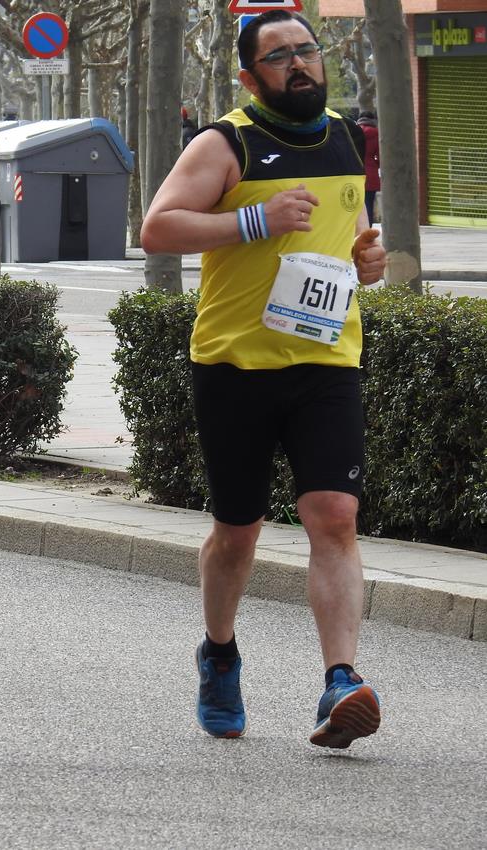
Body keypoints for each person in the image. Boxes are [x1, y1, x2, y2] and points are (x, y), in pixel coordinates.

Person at [140, 9, 387, 750]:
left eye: (306, 50)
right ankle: (218, 653)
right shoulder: (227, 141)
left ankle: (339, 680)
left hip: (325, 359)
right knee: (237, 531)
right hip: (234, 364)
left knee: (333, 514)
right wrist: (254, 221)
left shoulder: (345, 136)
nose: (299, 65)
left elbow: (347, 239)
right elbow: (158, 226)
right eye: (279, 57)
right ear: (249, 77)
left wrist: (366, 262)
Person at [357, 111, 380, 225]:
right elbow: (380, 156)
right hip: (371, 174)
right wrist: (375, 164)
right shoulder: (376, 134)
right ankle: (368, 231)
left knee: (356, 205)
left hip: (356, 171)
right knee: (369, 204)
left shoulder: (354, 132)